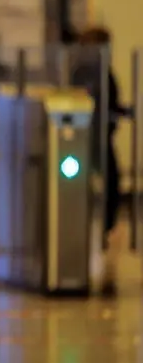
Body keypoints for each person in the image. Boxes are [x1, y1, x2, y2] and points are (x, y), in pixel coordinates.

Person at [73, 27, 128, 253]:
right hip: (93, 137)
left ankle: (100, 228)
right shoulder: (93, 72)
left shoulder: (90, 70)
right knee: (109, 182)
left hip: (96, 136)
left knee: (107, 183)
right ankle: (99, 228)